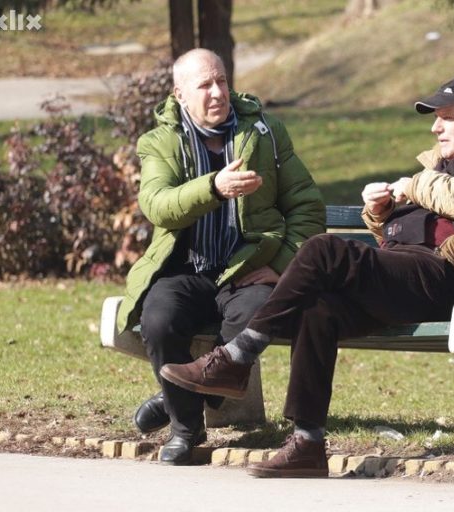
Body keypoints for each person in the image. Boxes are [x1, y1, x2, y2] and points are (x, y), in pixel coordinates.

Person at [159, 75, 454, 476]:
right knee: (320, 308)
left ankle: (237, 356)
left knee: (322, 248)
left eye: (446, 117)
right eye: (435, 118)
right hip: (408, 273)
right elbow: (414, 224)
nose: (435, 127)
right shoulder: (440, 165)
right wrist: (381, 212)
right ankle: (307, 443)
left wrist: (417, 185)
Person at [115, 48, 326, 465]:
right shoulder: (160, 142)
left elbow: (307, 206)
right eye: (204, 85)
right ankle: (186, 429)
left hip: (248, 267)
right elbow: (157, 205)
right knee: (159, 319)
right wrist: (214, 187)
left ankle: (180, 396)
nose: (217, 93)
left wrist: (280, 264)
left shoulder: (264, 132)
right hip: (186, 269)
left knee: (257, 312)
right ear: (180, 95)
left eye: (222, 81)